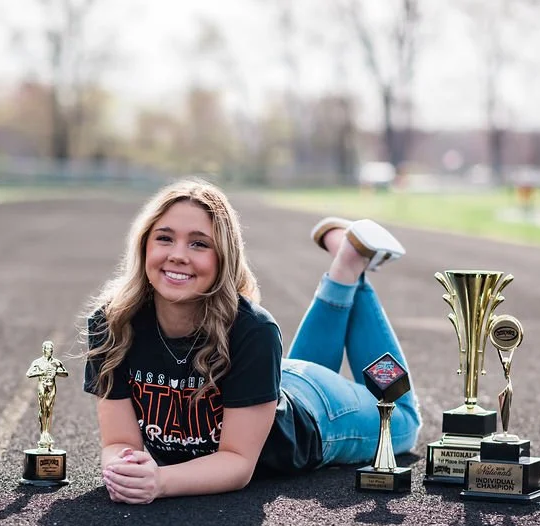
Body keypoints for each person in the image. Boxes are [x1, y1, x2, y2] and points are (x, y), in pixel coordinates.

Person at [83, 178, 421, 505]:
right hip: (267, 389)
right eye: (164, 238)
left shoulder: (252, 329)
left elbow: (237, 463)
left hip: (323, 416)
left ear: (223, 257)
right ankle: (346, 260)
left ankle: (349, 261)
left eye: (199, 243)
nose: (177, 255)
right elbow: (119, 442)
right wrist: (123, 468)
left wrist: (160, 481)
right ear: (144, 245)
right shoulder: (113, 324)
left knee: (403, 421)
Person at [26, 340, 69, 451]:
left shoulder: (56, 362)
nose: (49, 351)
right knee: (43, 409)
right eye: (47, 349)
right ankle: (43, 432)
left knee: (50, 409)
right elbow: (29, 374)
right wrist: (41, 372)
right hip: (42, 385)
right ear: (43, 350)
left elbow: (65, 374)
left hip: (52, 386)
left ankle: (47, 433)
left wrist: (56, 372)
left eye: (51, 349)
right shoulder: (38, 362)